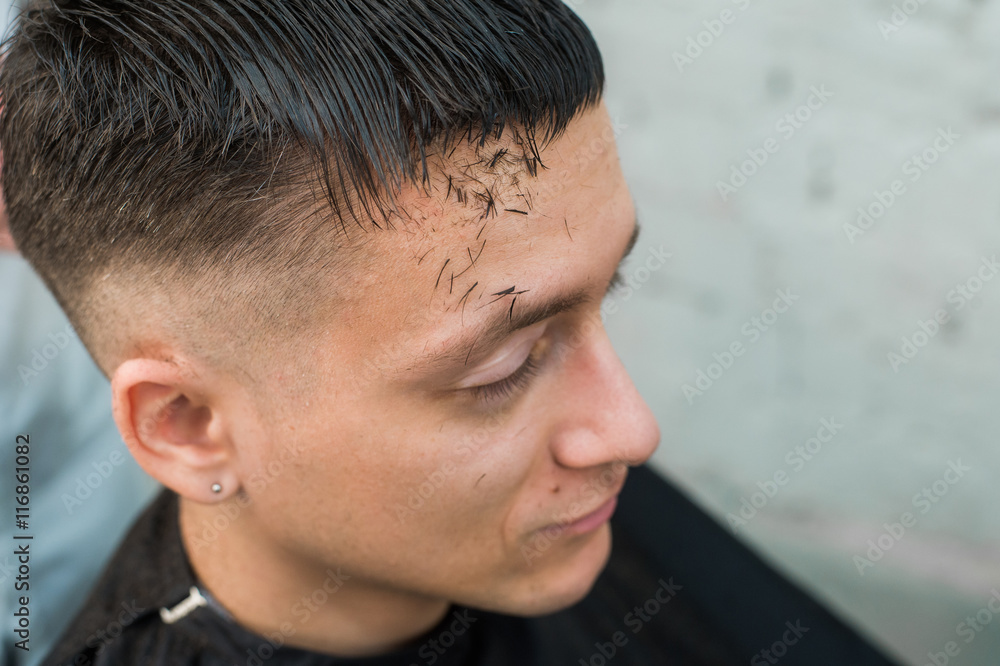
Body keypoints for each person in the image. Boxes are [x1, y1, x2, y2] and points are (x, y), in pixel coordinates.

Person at [1, 1, 901, 664]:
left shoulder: (550, 509)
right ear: (187, 424)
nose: (632, 431)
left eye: (609, 288)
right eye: (503, 370)